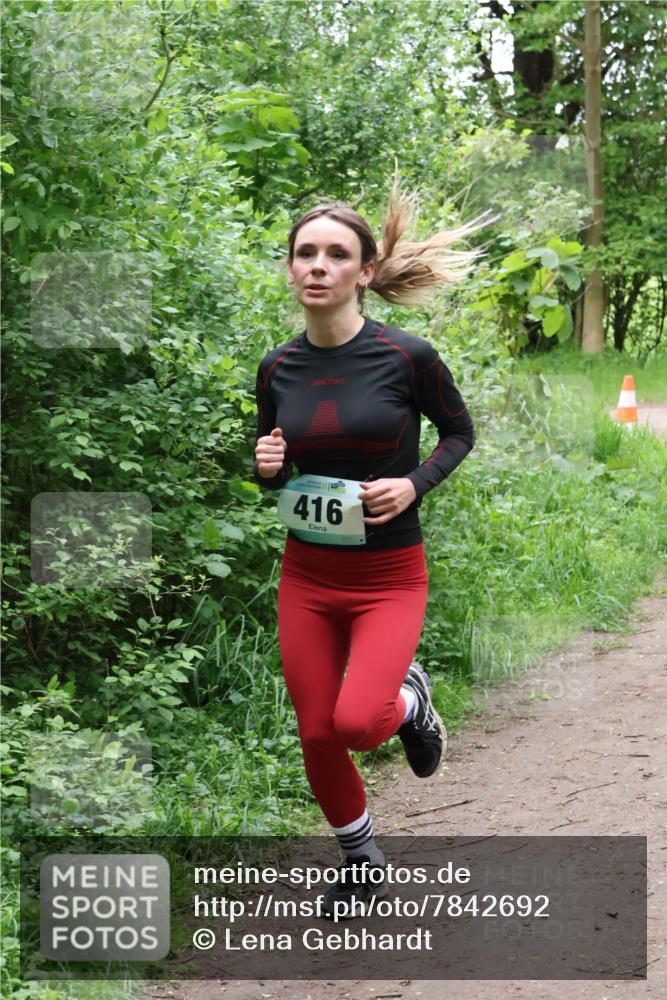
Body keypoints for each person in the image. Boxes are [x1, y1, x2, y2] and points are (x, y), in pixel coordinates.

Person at [252, 179, 491, 918]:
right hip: (308, 575)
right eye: (305, 253)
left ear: (362, 270)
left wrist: (413, 484)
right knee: (317, 729)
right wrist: (263, 467)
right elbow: (274, 465)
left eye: (335, 254)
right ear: (290, 270)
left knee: (359, 721)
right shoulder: (276, 367)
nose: (317, 265)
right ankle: (361, 861)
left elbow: (459, 434)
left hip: (388, 574)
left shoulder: (406, 356)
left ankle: (411, 698)